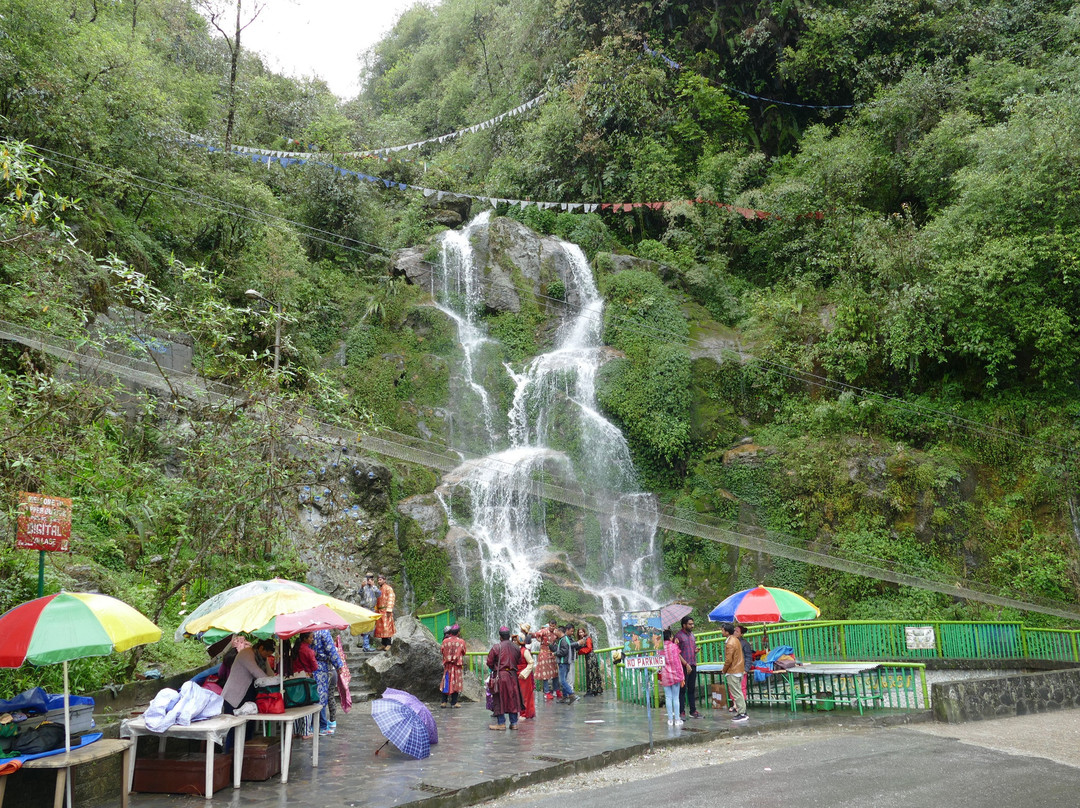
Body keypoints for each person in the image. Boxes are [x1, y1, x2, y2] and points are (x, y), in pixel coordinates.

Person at [221, 639, 276, 715]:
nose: (266, 657)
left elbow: (269, 672)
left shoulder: (261, 657)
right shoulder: (246, 653)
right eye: (266, 654)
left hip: (249, 693)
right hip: (234, 695)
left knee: (249, 722)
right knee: (233, 721)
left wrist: (274, 679)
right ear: (261, 648)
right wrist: (272, 681)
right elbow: (256, 671)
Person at [486, 626, 523, 730]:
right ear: (509, 636)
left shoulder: (496, 647)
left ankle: (501, 723)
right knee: (513, 699)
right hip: (513, 676)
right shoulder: (516, 647)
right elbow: (519, 661)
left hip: (501, 677)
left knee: (499, 698)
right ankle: (514, 723)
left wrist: (495, 668)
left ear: (500, 637)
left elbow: (489, 662)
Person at [312, 629, 346, 735]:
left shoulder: (310, 629)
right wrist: (339, 665)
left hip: (310, 665)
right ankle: (321, 726)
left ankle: (313, 725)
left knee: (314, 695)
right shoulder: (323, 632)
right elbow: (331, 650)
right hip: (321, 666)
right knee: (321, 696)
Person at [721, 622, 749, 723]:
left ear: (727, 632)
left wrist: (724, 670)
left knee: (736, 693)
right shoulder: (736, 640)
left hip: (733, 671)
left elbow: (728, 660)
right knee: (739, 692)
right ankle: (742, 712)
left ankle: (742, 713)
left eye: (722, 630)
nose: (721, 632)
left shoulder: (730, 643)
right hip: (739, 670)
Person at [675, 615, 700, 719]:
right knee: (682, 689)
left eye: (692, 624)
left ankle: (693, 710)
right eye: (690, 624)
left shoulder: (692, 635)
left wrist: (695, 651)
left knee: (692, 689)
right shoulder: (678, 636)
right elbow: (676, 652)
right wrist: (686, 664)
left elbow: (690, 648)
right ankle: (681, 711)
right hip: (683, 666)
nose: (692, 626)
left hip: (693, 664)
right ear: (684, 625)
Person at [659, 629, 685, 726]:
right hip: (675, 675)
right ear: (670, 637)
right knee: (675, 698)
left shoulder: (660, 649)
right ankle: (677, 719)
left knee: (668, 698)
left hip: (665, 675)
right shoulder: (674, 647)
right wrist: (682, 677)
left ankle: (670, 720)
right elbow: (678, 663)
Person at [552, 625, 581, 704]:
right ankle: (564, 697)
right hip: (566, 662)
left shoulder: (564, 640)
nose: (555, 633)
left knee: (562, 681)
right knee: (564, 680)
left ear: (559, 631)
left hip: (563, 662)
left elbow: (564, 651)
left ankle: (572, 695)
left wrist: (555, 653)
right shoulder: (564, 639)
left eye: (556, 631)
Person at [440, 624, 466, 708]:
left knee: (446, 682)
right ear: (458, 632)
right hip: (456, 666)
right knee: (456, 683)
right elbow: (464, 652)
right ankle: (454, 702)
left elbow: (442, 650)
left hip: (448, 665)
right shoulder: (461, 642)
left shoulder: (445, 641)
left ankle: (444, 701)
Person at [534, 619, 559, 700]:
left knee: (555, 672)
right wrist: (540, 640)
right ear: (549, 624)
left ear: (555, 625)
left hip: (552, 653)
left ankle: (556, 690)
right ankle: (546, 692)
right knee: (545, 674)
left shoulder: (556, 632)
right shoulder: (544, 631)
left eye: (553, 626)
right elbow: (536, 634)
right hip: (544, 653)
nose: (552, 627)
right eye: (551, 625)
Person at [733, 624, 754, 712]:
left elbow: (748, 657)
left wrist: (746, 669)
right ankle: (735, 704)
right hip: (733, 668)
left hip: (741, 668)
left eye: (737, 631)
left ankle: (741, 706)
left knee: (742, 687)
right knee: (733, 687)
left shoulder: (745, 643)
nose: (735, 632)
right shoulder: (731, 641)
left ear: (741, 634)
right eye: (734, 631)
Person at [516, 627, 536, 720]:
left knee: (524, 694)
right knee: (518, 694)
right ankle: (521, 712)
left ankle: (525, 713)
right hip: (517, 674)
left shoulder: (525, 651)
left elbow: (531, 663)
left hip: (523, 675)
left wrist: (524, 673)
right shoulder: (517, 650)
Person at [358, 573, 381, 652]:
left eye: (370, 579)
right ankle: (366, 646)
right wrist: (362, 586)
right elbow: (360, 594)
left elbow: (379, 594)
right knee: (365, 627)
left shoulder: (374, 587)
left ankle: (366, 645)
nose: (369, 580)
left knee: (370, 628)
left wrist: (373, 586)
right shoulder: (364, 587)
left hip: (372, 609)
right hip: (365, 609)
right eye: (368, 579)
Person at [577, 627, 603, 696]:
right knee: (593, 672)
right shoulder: (584, 639)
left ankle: (592, 690)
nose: (580, 634)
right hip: (590, 657)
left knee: (591, 673)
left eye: (582, 632)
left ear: (584, 632)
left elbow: (589, 648)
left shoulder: (587, 638)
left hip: (591, 657)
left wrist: (580, 651)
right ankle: (596, 689)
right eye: (579, 632)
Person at [374, 572, 396, 651]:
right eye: (378, 580)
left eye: (380, 580)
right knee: (381, 628)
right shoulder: (379, 589)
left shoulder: (388, 588)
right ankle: (383, 644)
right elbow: (377, 600)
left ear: (384, 580)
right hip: (380, 610)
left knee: (387, 627)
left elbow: (391, 597)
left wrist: (389, 609)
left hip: (386, 610)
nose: (379, 581)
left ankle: (389, 644)